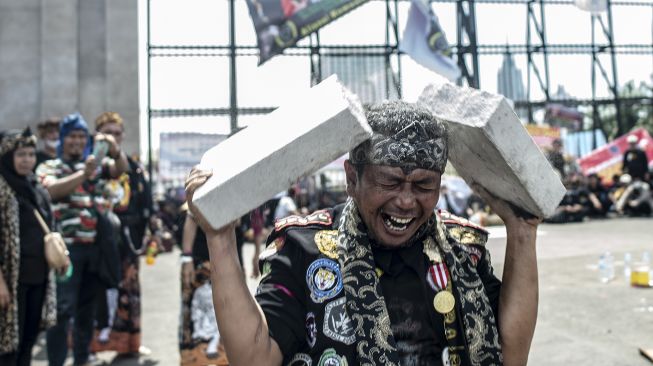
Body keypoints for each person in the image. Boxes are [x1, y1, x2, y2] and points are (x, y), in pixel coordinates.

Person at [185, 100, 541, 365]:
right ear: (352, 179)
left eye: (423, 185)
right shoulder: (303, 248)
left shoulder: (465, 251)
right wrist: (219, 239)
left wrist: (522, 233)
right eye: (389, 181)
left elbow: (510, 355)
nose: (406, 201)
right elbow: (255, 358)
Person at [37, 112, 128, 366]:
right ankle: (56, 361)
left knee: (86, 311)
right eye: (72, 136)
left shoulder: (95, 165)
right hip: (66, 251)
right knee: (62, 311)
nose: (76, 142)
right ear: (63, 140)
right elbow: (50, 191)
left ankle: (81, 358)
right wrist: (83, 175)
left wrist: (114, 149)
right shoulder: (49, 166)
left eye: (80, 136)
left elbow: (121, 169)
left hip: (95, 250)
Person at [89, 111, 152, 357]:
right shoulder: (92, 163)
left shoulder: (133, 166)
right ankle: (94, 346)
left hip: (128, 237)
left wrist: (148, 233)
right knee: (98, 291)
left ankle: (130, 344)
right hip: (98, 240)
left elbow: (146, 201)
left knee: (130, 291)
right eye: (107, 133)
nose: (113, 138)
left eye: (117, 133)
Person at [0, 128, 59, 365]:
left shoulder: (36, 187)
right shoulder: (2, 190)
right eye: (20, 154)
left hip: (38, 277)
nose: (27, 160)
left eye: (31, 154)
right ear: (7, 156)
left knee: (28, 341)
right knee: (7, 347)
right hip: (11, 281)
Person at [179, 204, 229, 366]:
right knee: (196, 314)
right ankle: (194, 358)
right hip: (201, 263)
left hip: (229, 264)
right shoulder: (209, 184)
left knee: (229, 314)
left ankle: (222, 357)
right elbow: (191, 218)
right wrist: (187, 258)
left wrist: (256, 251)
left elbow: (255, 221)